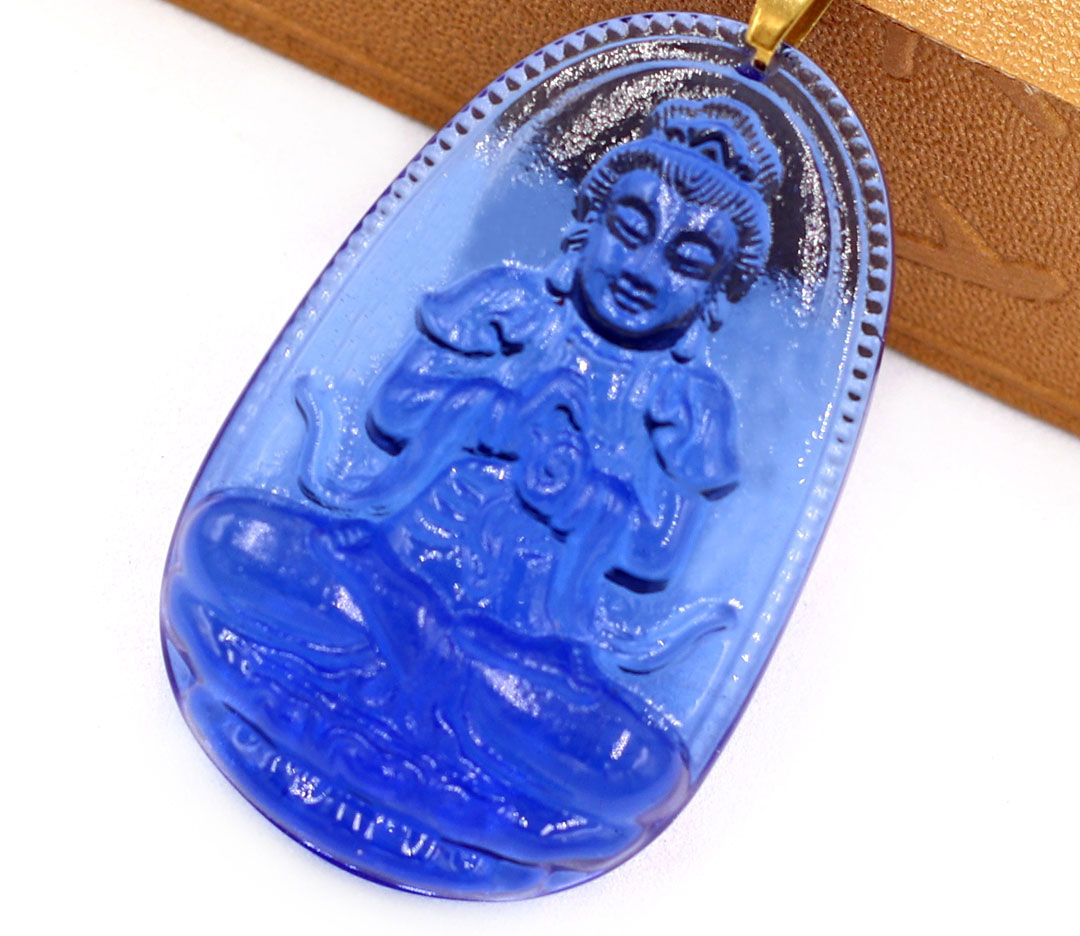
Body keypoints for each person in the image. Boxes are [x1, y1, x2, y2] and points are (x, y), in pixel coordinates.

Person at [167, 95, 783, 880]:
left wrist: (586, 495)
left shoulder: (689, 400)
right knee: (229, 542)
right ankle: (471, 796)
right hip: (381, 576)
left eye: (688, 261)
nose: (643, 269)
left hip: (519, 650)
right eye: (630, 228)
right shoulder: (510, 303)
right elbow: (397, 405)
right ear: (586, 224)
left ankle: (322, 698)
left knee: (635, 767)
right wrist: (494, 413)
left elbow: (657, 553)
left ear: (717, 294)